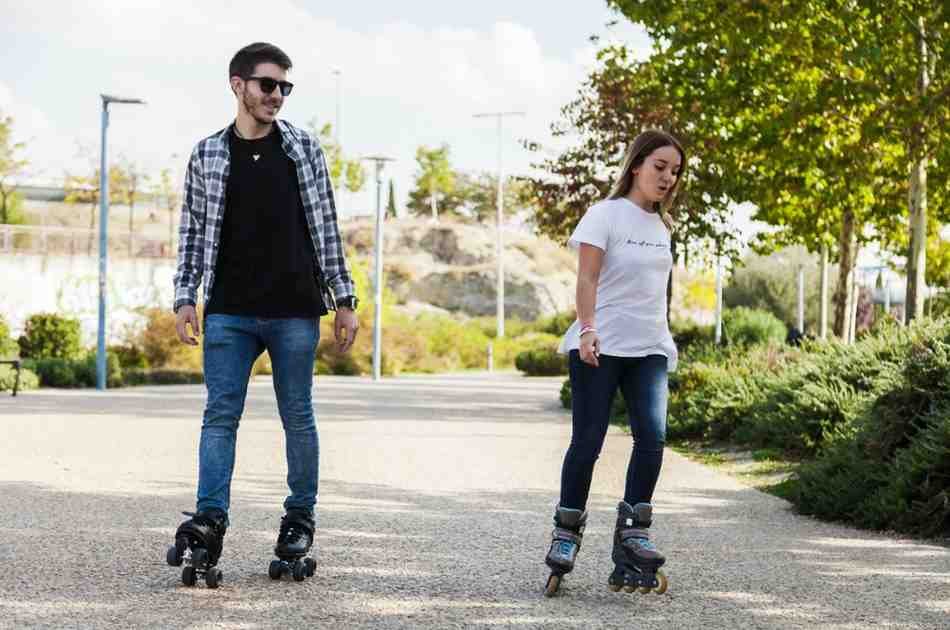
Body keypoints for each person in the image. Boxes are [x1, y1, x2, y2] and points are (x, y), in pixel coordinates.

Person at [165, 42, 359, 586]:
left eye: (284, 88)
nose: (277, 96)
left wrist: (343, 299)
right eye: (268, 85)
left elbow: (326, 228)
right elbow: (193, 232)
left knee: (298, 416)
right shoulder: (206, 154)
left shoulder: (303, 149)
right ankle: (210, 520)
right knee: (219, 416)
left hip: (296, 308)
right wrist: (185, 295)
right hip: (228, 311)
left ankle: (299, 520)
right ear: (238, 85)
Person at [543, 130, 684, 597]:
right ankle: (566, 534)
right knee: (587, 441)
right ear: (638, 164)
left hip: (648, 349)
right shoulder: (603, 215)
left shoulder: (663, 228)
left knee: (653, 438)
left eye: (675, 171)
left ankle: (634, 533)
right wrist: (587, 328)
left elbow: (656, 292)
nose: (667, 178)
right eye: (660, 166)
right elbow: (587, 278)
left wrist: (666, 338)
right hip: (600, 346)